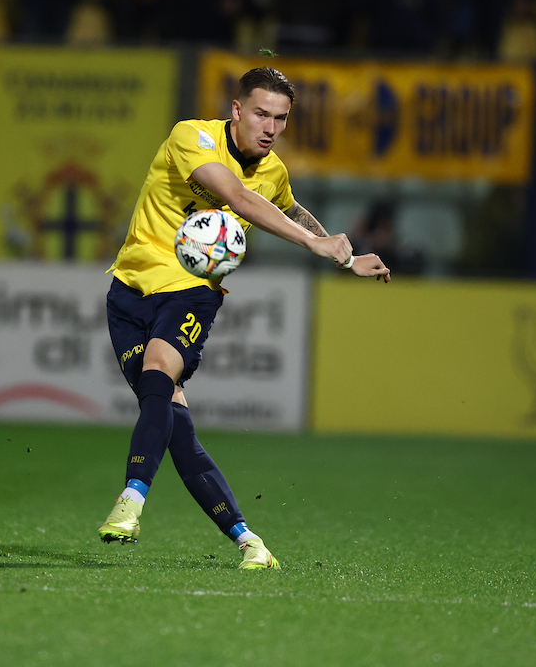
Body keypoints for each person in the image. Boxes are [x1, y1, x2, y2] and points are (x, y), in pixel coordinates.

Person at [98, 66, 390, 569]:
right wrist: (317, 244)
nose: (270, 128)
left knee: (158, 371)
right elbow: (237, 196)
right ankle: (247, 540)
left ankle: (131, 499)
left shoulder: (273, 171)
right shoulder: (192, 137)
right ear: (236, 110)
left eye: (281, 118)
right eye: (260, 114)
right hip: (129, 289)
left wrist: (341, 256)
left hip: (193, 292)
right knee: (174, 423)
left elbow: (288, 208)